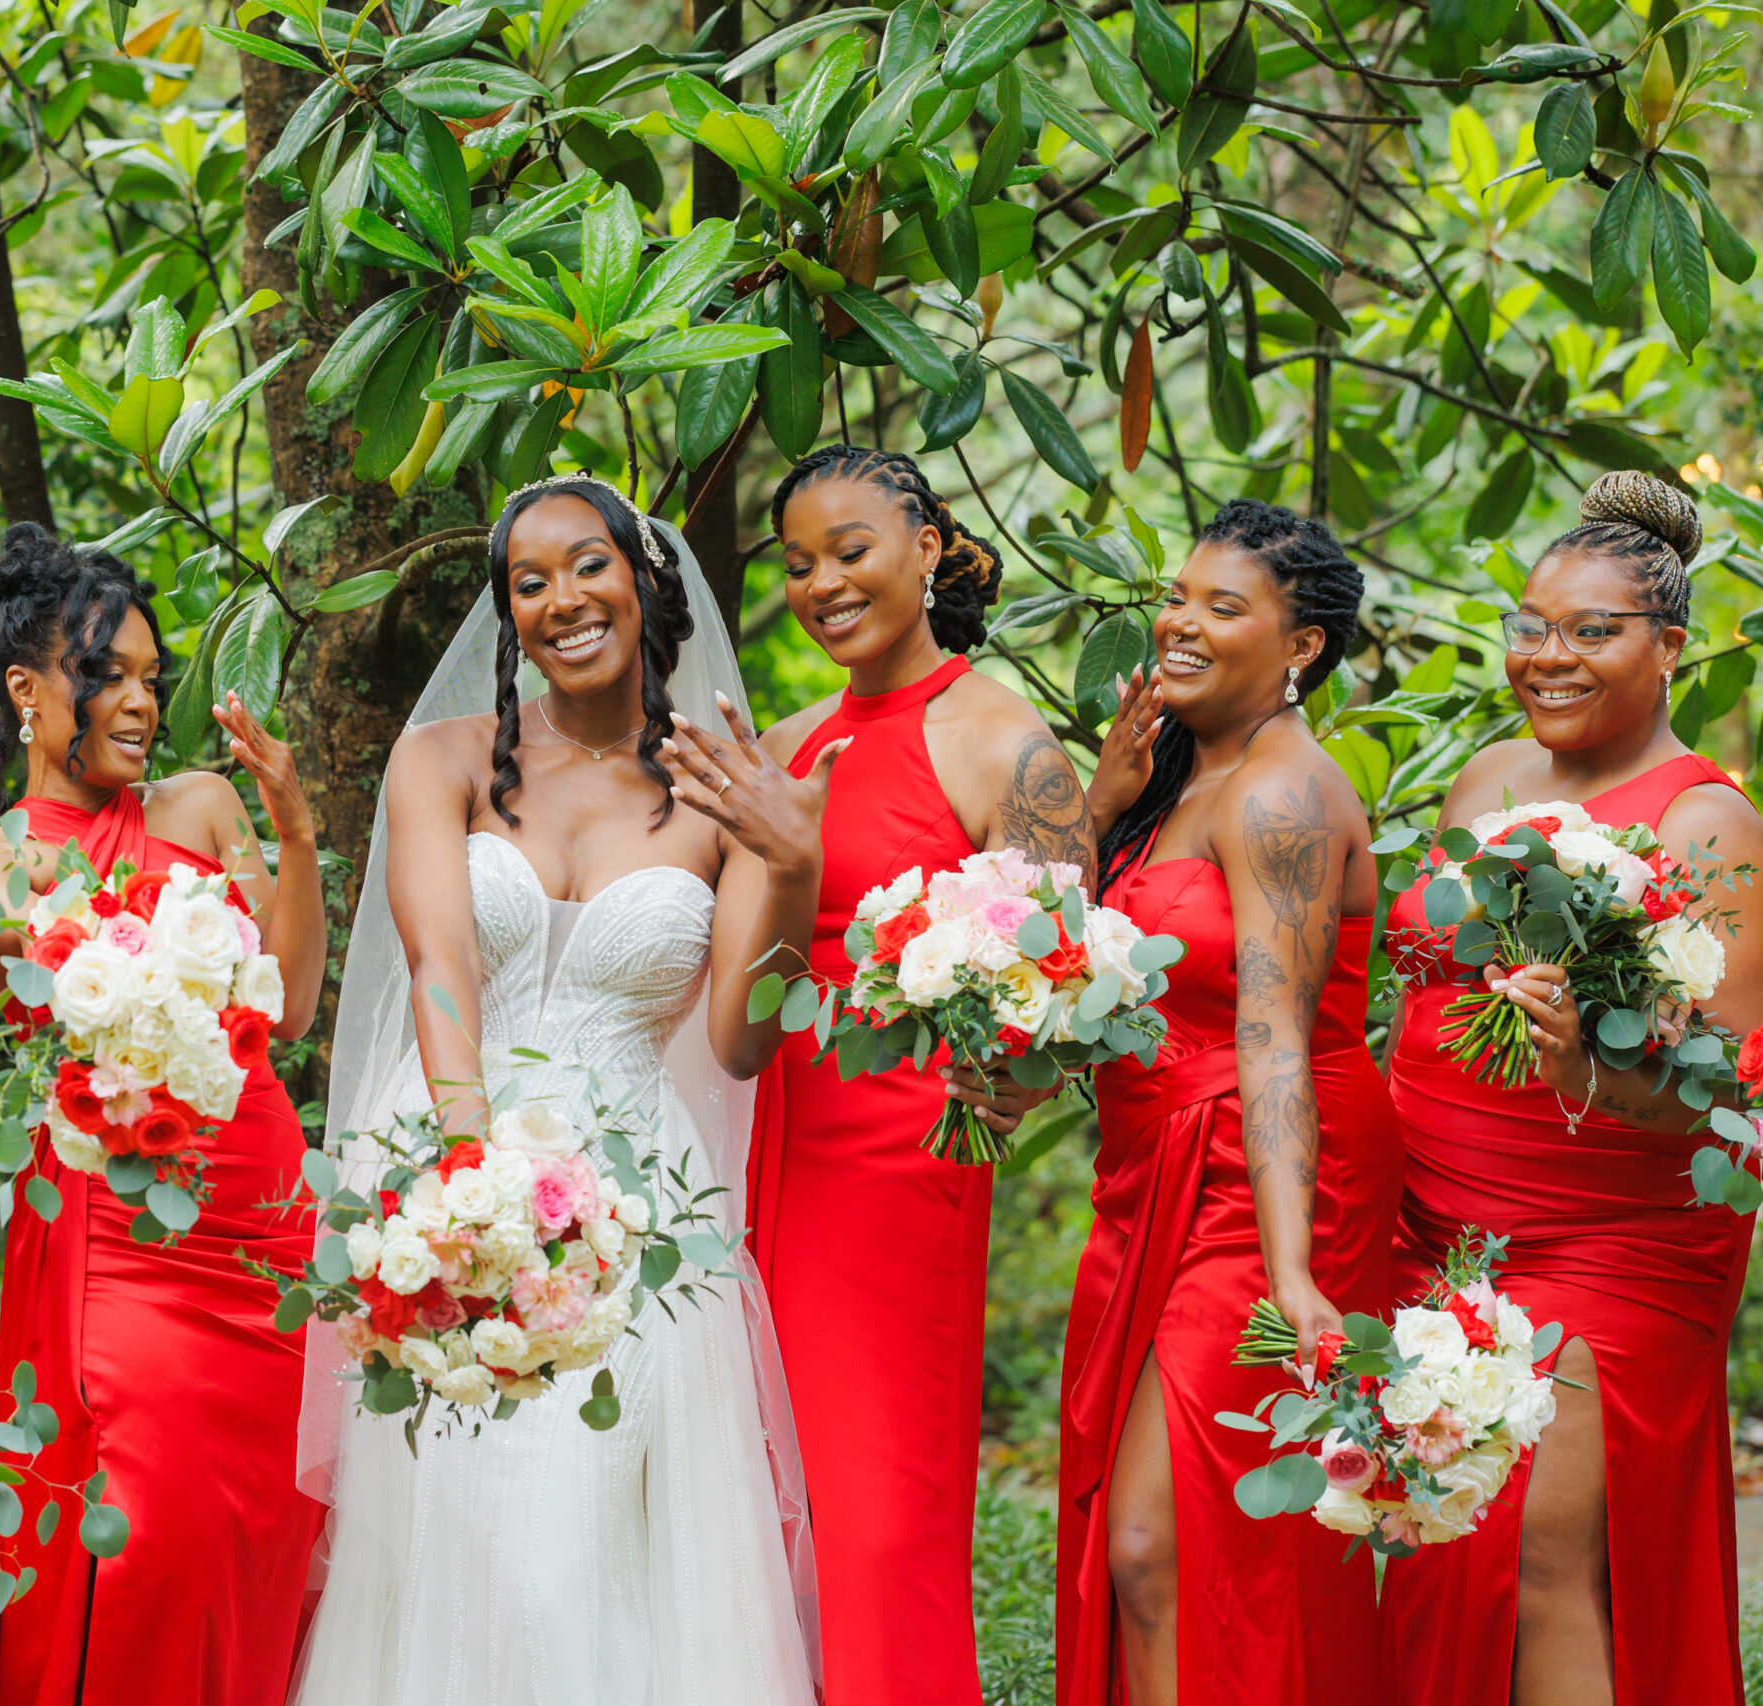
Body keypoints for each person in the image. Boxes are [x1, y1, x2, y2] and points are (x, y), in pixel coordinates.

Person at [294, 476, 820, 1706]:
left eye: (587, 566)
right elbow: (437, 962)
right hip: (462, 1172)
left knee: (590, 1533)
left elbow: (742, 1039)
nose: (560, 600)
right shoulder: (446, 759)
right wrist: (472, 1181)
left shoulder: (717, 785)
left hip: (647, 1213)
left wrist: (790, 861)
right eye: (527, 583)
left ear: (645, 581)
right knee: (472, 1529)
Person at [1377, 474, 1763, 1706]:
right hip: (1437, 1227)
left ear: (1670, 645)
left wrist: (1587, 1065)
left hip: (1615, 1239)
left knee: (1545, 1554)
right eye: (1531, 626)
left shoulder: (1708, 820)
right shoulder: (1488, 778)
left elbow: (1730, 1093)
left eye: (1591, 631)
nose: (1548, 656)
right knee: (1447, 1545)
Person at [740, 444, 1095, 1705]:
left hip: (901, 1167)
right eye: (796, 563)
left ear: (929, 548)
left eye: (850, 550)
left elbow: (1068, 995)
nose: (822, 582)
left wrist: (1018, 1076)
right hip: (752, 1149)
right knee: (757, 1516)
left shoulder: (1007, 744)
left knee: (880, 1520)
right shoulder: (779, 745)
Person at [0, 524, 325, 1706]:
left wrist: (298, 829)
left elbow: (299, 1003)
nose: (137, 702)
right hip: (125, 1244)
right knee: (152, 1535)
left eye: (149, 680)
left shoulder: (206, 804)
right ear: (28, 689)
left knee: (275, 1535)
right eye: (105, 674)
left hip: (263, 1222)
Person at [1059, 500, 1397, 1706]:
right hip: (1152, 1170)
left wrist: (1295, 1272)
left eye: (1220, 606)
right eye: (1178, 597)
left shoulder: (1281, 796)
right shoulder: (1169, 774)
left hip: (1268, 1177)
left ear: (1298, 645)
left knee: (1176, 1540)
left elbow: (1275, 1037)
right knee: (1147, 1541)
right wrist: (1097, 805)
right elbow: (1019, 931)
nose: (1177, 624)